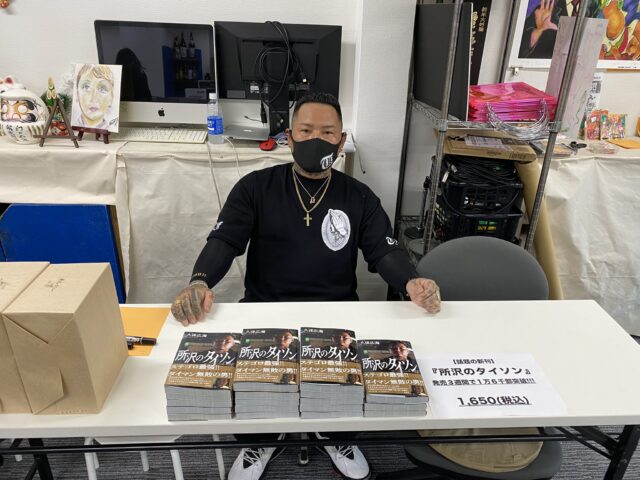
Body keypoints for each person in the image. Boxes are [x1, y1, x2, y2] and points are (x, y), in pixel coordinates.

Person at [171, 92, 441, 480]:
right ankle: (260, 440)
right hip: (265, 308)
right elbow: (225, 241)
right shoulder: (255, 188)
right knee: (256, 396)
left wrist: (410, 281)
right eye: (306, 130)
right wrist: (199, 281)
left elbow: (383, 251)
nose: (317, 139)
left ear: (341, 141)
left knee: (341, 393)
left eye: (327, 132)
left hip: (336, 310)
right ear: (290, 138)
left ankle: (335, 436)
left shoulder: (359, 196)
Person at [73, 64, 115, 130]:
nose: (93, 98)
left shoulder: (111, 127)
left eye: (102, 89)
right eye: (86, 87)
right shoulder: (73, 126)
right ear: (77, 94)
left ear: (111, 98)